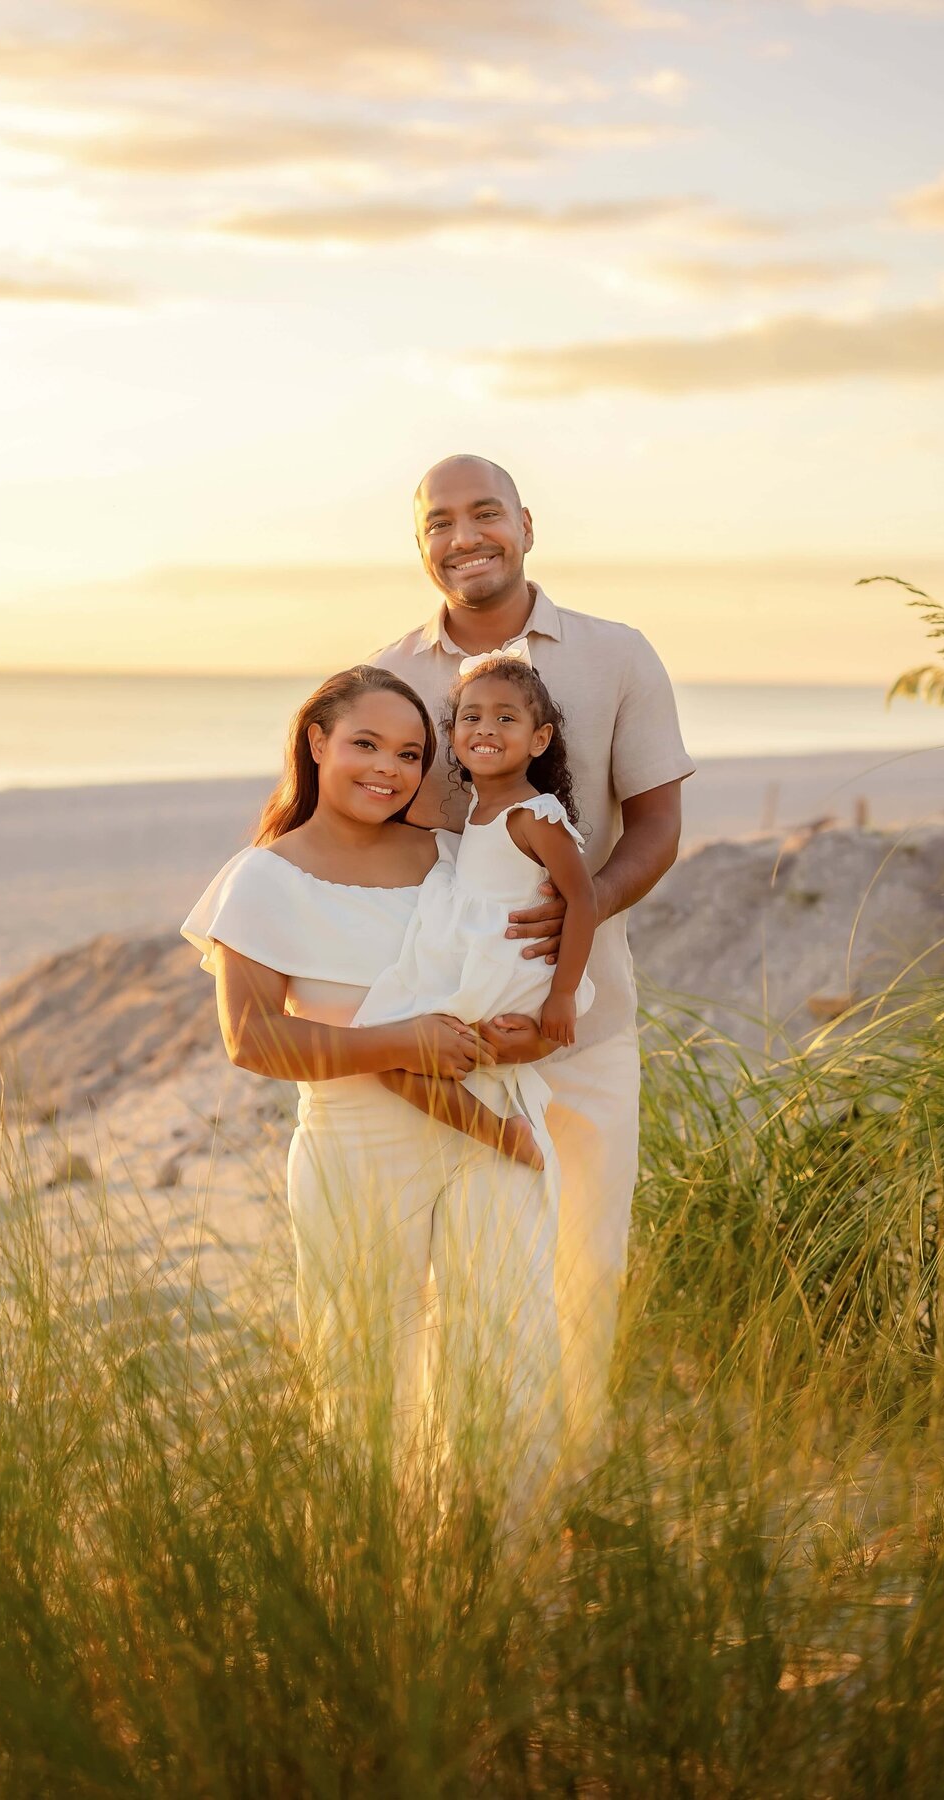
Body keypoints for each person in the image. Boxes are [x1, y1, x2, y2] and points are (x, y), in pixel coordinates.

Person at [369, 454, 696, 1462]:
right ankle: (461, 1491)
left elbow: (654, 827)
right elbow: (375, 845)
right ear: (420, 543)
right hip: (447, 1042)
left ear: (525, 524)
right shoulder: (389, 676)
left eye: (485, 514)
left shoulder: (618, 654)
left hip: (583, 1028)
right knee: (459, 1278)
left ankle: (573, 1483)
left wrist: (580, 912)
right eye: (439, 521)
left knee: (586, 1263)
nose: (464, 536)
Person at [180, 664, 563, 1511]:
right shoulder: (264, 879)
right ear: (317, 742)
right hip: (355, 1152)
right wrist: (402, 1041)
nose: (387, 770)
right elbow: (252, 1041)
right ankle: (373, 1575)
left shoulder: (459, 860)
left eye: (409, 753)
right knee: (364, 1382)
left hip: (485, 1138)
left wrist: (518, 1034)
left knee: (503, 1357)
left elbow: (511, 977)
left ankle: (497, 1560)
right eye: (364, 745)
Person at [353, 649, 598, 1180]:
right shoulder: (480, 801)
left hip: (507, 965)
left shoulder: (534, 815)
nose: (486, 728)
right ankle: (496, 1131)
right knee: (398, 1054)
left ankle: (506, 1135)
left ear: (540, 740)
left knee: (396, 1055)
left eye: (505, 718)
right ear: (455, 734)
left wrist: (562, 997)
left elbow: (583, 899)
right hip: (476, 954)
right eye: (472, 717)